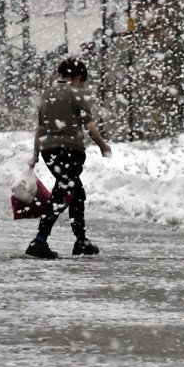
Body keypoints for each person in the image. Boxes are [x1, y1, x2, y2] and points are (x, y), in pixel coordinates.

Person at [26, 58, 112, 259]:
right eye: (82, 81)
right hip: (70, 152)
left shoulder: (46, 95)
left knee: (76, 192)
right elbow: (89, 127)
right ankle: (40, 239)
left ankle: (81, 241)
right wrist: (103, 145)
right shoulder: (76, 95)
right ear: (78, 77)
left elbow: (39, 129)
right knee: (62, 192)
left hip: (50, 153)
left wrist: (36, 155)